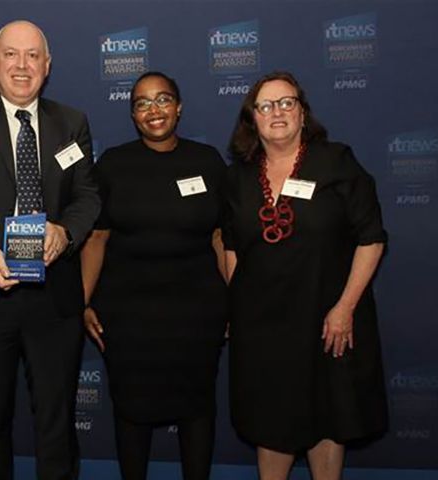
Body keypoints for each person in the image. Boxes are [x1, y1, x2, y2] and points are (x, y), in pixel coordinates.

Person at [0, 20, 100, 480]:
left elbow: (88, 195)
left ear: (47, 67)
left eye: (32, 56)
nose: (21, 65)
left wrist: (65, 233)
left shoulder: (72, 122)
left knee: (56, 424)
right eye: (11, 54)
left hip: (54, 297)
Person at [223, 71, 388, 480]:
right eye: (265, 105)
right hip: (263, 328)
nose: (276, 112)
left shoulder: (336, 162)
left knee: (329, 417)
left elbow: (371, 239)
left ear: (302, 112)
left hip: (326, 319)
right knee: (270, 421)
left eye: (286, 103)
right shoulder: (239, 177)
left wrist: (345, 307)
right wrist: (236, 307)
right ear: (252, 118)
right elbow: (230, 247)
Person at [81, 71, 229, 480]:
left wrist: (235, 299)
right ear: (133, 115)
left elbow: (221, 237)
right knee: (131, 409)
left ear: (179, 107)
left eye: (163, 99)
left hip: (198, 313)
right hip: (128, 317)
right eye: (142, 103)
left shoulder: (207, 161)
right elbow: (97, 238)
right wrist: (83, 301)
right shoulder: (113, 164)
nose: (154, 110)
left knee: (197, 408)